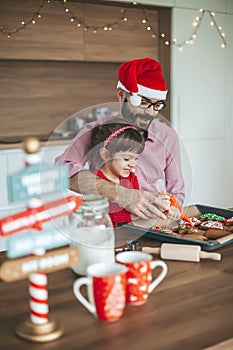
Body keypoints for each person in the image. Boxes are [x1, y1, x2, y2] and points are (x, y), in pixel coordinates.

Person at [55, 57, 185, 220]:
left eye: (157, 105)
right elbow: (62, 170)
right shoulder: (95, 130)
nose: (150, 112)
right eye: (143, 102)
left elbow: (176, 192)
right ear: (121, 94)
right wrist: (121, 194)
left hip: (152, 225)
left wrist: (170, 210)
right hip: (108, 224)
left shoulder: (167, 136)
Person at [87, 120, 170, 227]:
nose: (133, 164)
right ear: (105, 154)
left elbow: (137, 203)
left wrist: (154, 204)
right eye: (126, 159)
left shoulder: (131, 178)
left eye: (136, 159)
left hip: (129, 233)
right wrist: (140, 213)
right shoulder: (95, 181)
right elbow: (108, 214)